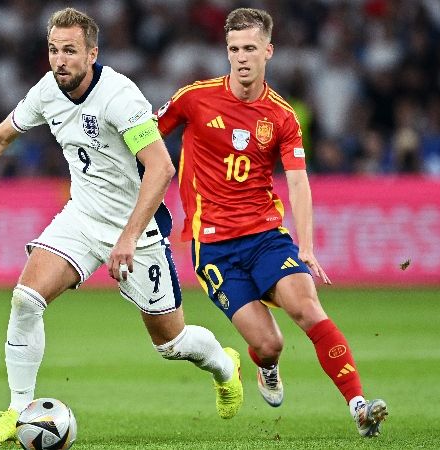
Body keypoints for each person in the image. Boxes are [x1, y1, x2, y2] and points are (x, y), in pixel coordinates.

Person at [0, 7, 243, 445]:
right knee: (25, 301)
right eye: (54, 50)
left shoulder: (120, 98)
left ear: (92, 53)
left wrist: (129, 238)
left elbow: (160, 168)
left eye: (70, 51)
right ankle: (18, 411)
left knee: (171, 342)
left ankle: (226, 366)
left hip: (137, 230)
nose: (60, 60)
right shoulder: (47, 92)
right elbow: (0, 136)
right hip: (81, 216)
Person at [156, 8, 389, 437]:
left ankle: (358, 406)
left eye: (249, 48)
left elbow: (298, 182)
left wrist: (306, 246)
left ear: (268, 51)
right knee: (269, 344)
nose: (241, 57)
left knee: (307, 307)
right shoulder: (194, 98)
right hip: (213, 248)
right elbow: (148, 140)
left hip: (266, 237)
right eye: (233, 49)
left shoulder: (282, 116)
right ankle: (266, 367)